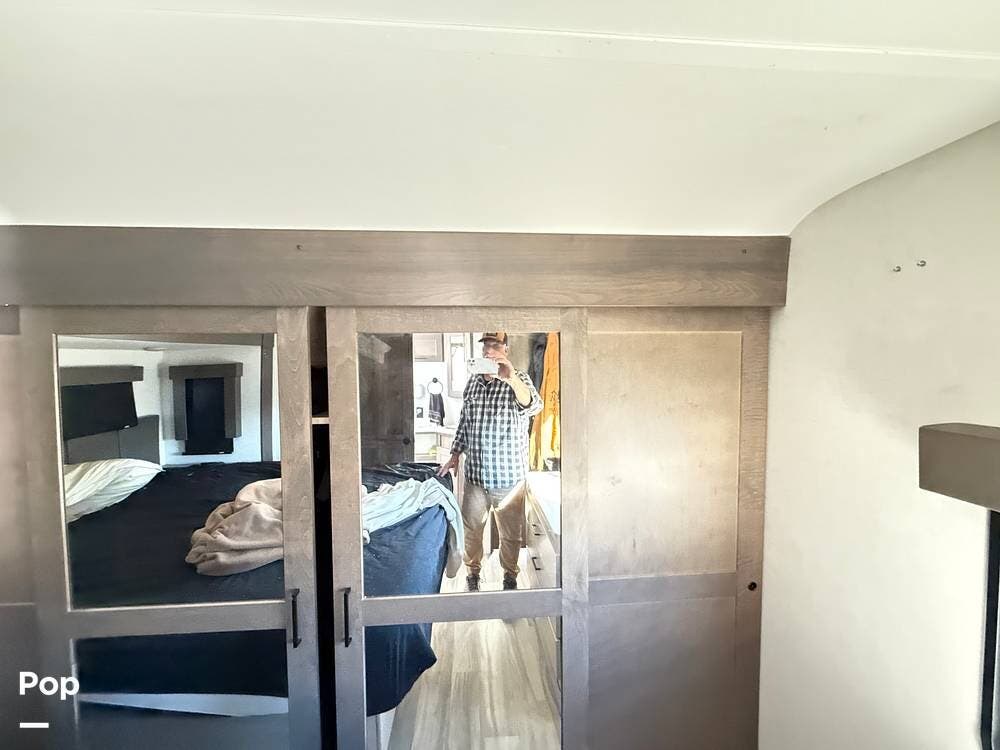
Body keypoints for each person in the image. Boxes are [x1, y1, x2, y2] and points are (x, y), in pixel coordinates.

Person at [438, 331, 542, 591]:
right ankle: (473, 573)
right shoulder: (473, 383)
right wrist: (454, 454)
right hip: (475, 477)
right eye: (486, 345)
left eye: (495, 345)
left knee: (511, 535)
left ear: (506, 349)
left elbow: (533, 406)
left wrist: (510, 378)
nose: (489, 350)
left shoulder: (519, 379)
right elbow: (465, 421)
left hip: (509, 478)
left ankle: (510, 577)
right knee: (471, 531)